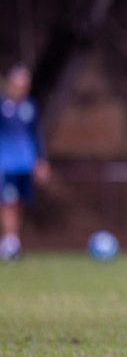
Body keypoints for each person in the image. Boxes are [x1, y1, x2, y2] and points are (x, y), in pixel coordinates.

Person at [0, 65, 50, 262]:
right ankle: (11, 242)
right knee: (7, 202)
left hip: (26, 164)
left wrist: (41, 161)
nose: (22, 89)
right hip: (7, 165)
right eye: (18, 84)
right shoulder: (3, 107)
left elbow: (37, 136)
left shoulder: (30, 107)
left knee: (19, 202)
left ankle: (11, 240)